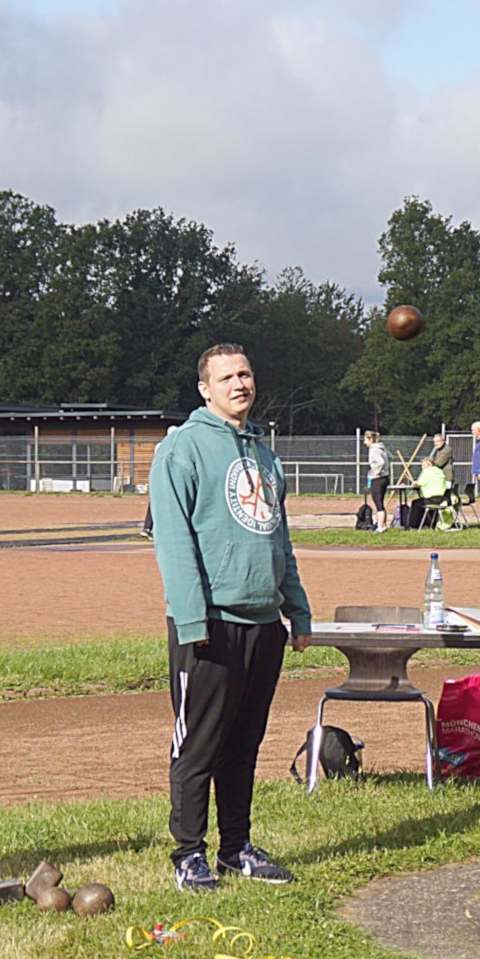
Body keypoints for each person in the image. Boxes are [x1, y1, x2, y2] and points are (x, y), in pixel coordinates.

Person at [149, 343, 311, 893]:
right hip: (209, 624)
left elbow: (278, 538)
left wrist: (297, 609)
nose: (239, 384)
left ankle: (236, 847)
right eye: (226, 377)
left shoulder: (264, 453)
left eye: (245, 373)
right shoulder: (183, 450)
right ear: (205, 389)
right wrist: (194, 622)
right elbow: (173, 542)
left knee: (245, 744)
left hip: (263, 623)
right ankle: (188, 853)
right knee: (199, 744)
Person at [364, 429, 393, 531]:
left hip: (378, 479)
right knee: (381, 502)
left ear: (371, 439)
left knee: (378, 504)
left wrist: (375, 471)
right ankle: (383, 525)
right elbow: (390, 457)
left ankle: (380, 527)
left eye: (366, 440)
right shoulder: (382, 448)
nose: (364, 442)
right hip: (385, 478)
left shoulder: (373, 449)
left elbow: (380, 462)